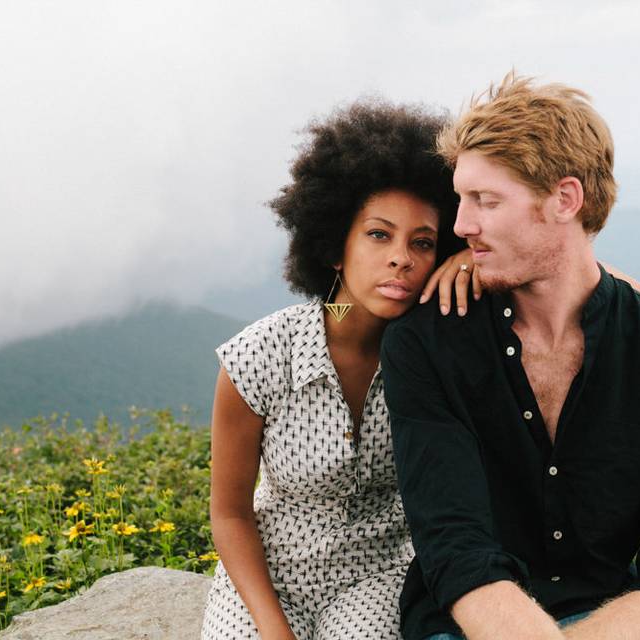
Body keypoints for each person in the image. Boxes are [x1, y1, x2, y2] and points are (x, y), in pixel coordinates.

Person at [381, 73, 640, 640]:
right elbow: (455, 545)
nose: (461, 225)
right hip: (468, 625)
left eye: (485, 201)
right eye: (460, 199)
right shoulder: (428, 344)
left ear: (565, 199)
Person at [200, 98, 473, 640]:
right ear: (334, 246)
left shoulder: (441, 352)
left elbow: (597, 290)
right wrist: (273, 629)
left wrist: (476, 262)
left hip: (378, 576)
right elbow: (229, 515)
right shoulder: (260, 355)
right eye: (378, 234)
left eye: (423, 243)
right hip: (269, 575)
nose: (402, 257)